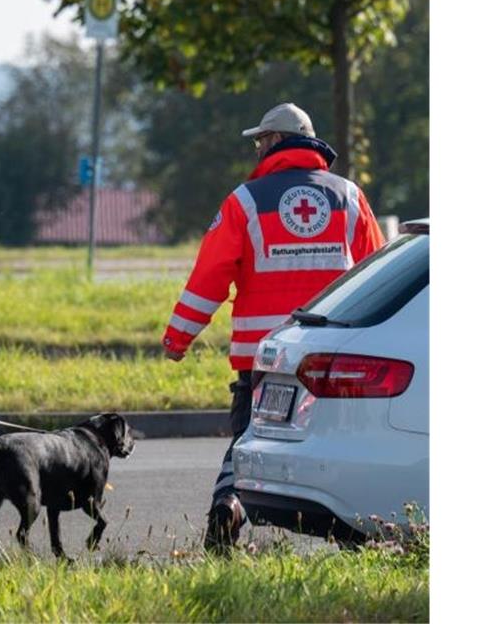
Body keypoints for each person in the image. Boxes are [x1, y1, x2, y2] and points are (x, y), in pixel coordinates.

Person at [161, 102, 386, 554]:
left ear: (279, 141)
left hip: (264, 357)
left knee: (249, 442)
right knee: (337, 445)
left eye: (263, 139)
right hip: (331, 356)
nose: (259, 148)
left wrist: (178, 337)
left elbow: (209, 277)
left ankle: (229, 506)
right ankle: (358, 539)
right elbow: (377, 274)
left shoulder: (245, 200)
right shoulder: (348, 196)